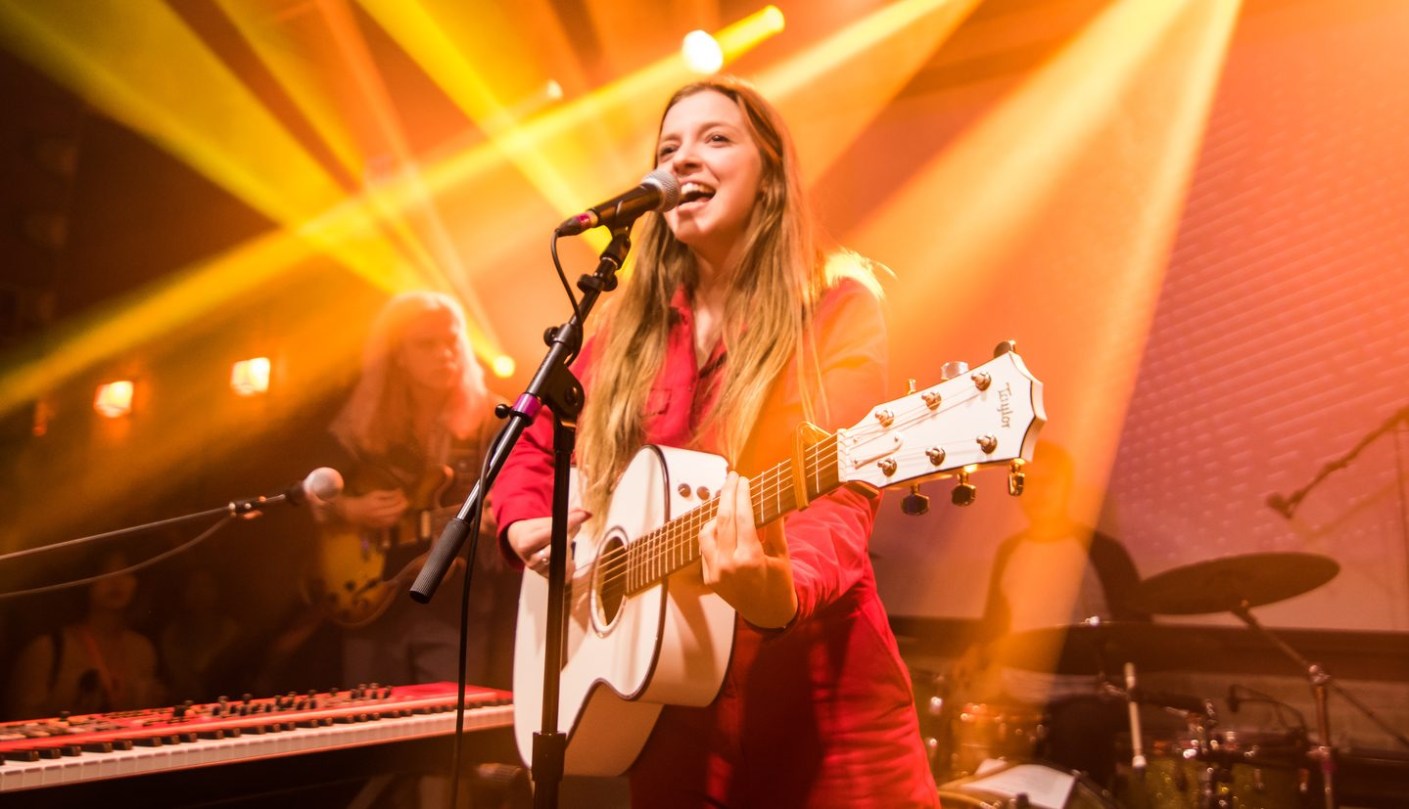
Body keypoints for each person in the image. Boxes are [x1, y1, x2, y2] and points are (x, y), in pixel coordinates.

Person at [492, 76, 938, 808]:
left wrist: (775, 588)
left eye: (715, 139)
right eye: (668, 147)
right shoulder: (622, 330)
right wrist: (520, 521)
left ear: (770, 173)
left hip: (823, 720)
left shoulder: (834, 307)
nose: (682, 160)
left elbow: (839, 490)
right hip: (669, 724)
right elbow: (525, 438)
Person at [312, 290, 517, 692]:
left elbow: (514, 493)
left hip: (454, 603)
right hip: (371, 602)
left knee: (440, 731)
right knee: (368, 731)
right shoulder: (362, 422)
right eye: (428, 344)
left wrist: (507, 517)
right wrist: (349, 511)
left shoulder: (493, 417)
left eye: (452, 341)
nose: (446, 354)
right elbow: (313, 493)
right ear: (397, 355)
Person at [954, 440, 1148, 788]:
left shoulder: (1103, 554)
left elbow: (1136, 633)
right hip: (1017, 691)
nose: (1038, 494)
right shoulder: (1010, 551)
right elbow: (995, 623)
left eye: (1049, 483)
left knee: (1079, 729)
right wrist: (974, 653)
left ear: (1066, 488)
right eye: (1030, 483)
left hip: (1084, 697)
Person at [5, 549, 166, 719]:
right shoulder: (47, 650)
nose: (116, 581)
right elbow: (19, 721)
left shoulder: (142, 649)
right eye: (104, 572)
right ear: (85, 579)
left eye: (126, 571)